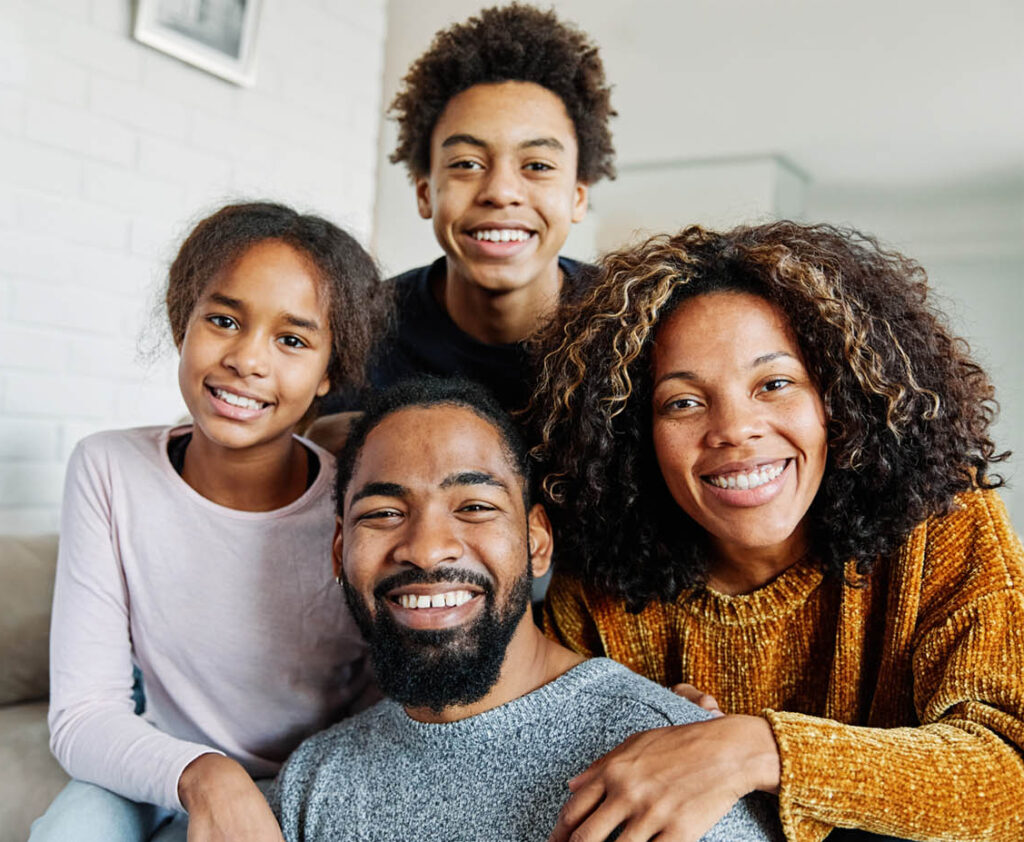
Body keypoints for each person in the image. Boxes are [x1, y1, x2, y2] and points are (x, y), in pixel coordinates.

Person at [530, 221, 1024, 842]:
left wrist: (752, 749)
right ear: (633, 437)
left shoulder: (944, 527)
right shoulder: (597, 584)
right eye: (682, 402)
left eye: (775, 384)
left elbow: (1011, 774)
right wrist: (644, 724)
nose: (734, 429)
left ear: (838, 402)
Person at [270, 377, 782, 842]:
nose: (426, 549)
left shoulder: (673, 778)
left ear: (537, 542)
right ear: (340, 551)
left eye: (474, 507)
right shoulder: (314, 782)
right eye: (384, 513)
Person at [31, 202, 391, 842]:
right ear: (183, 323)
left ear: (329, 373)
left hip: (308, 783)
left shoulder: (357, 501)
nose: (247, 359)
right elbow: (84, 713)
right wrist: (207, 776)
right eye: (223, 320)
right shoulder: (108, 468)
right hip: (155, 771)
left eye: (292, 340)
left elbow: (384, 701)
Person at [311, 3, 615, 448]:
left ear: (577, 196)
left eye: (536, 164)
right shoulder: (358, 335)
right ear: (424, 192)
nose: (500, 191)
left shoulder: (630, 329)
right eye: (467, 163)